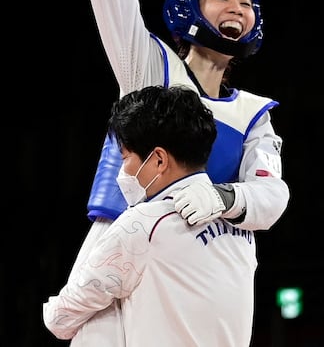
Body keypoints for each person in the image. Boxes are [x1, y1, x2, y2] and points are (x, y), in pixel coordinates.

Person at [62, 0, 290, 345]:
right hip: (119, 253)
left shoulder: (255, 115)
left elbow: (272, 197)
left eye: (246, 0)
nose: (237, 7)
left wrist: (224, 196)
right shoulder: (148, 66)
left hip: (198, 266)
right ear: (190, 7)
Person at [43, 85, 259, 347]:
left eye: (126, 158)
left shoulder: (143, 225)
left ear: (158, 159)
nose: (123, 172)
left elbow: (61, 319)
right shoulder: (242, 226)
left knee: (98, 313)